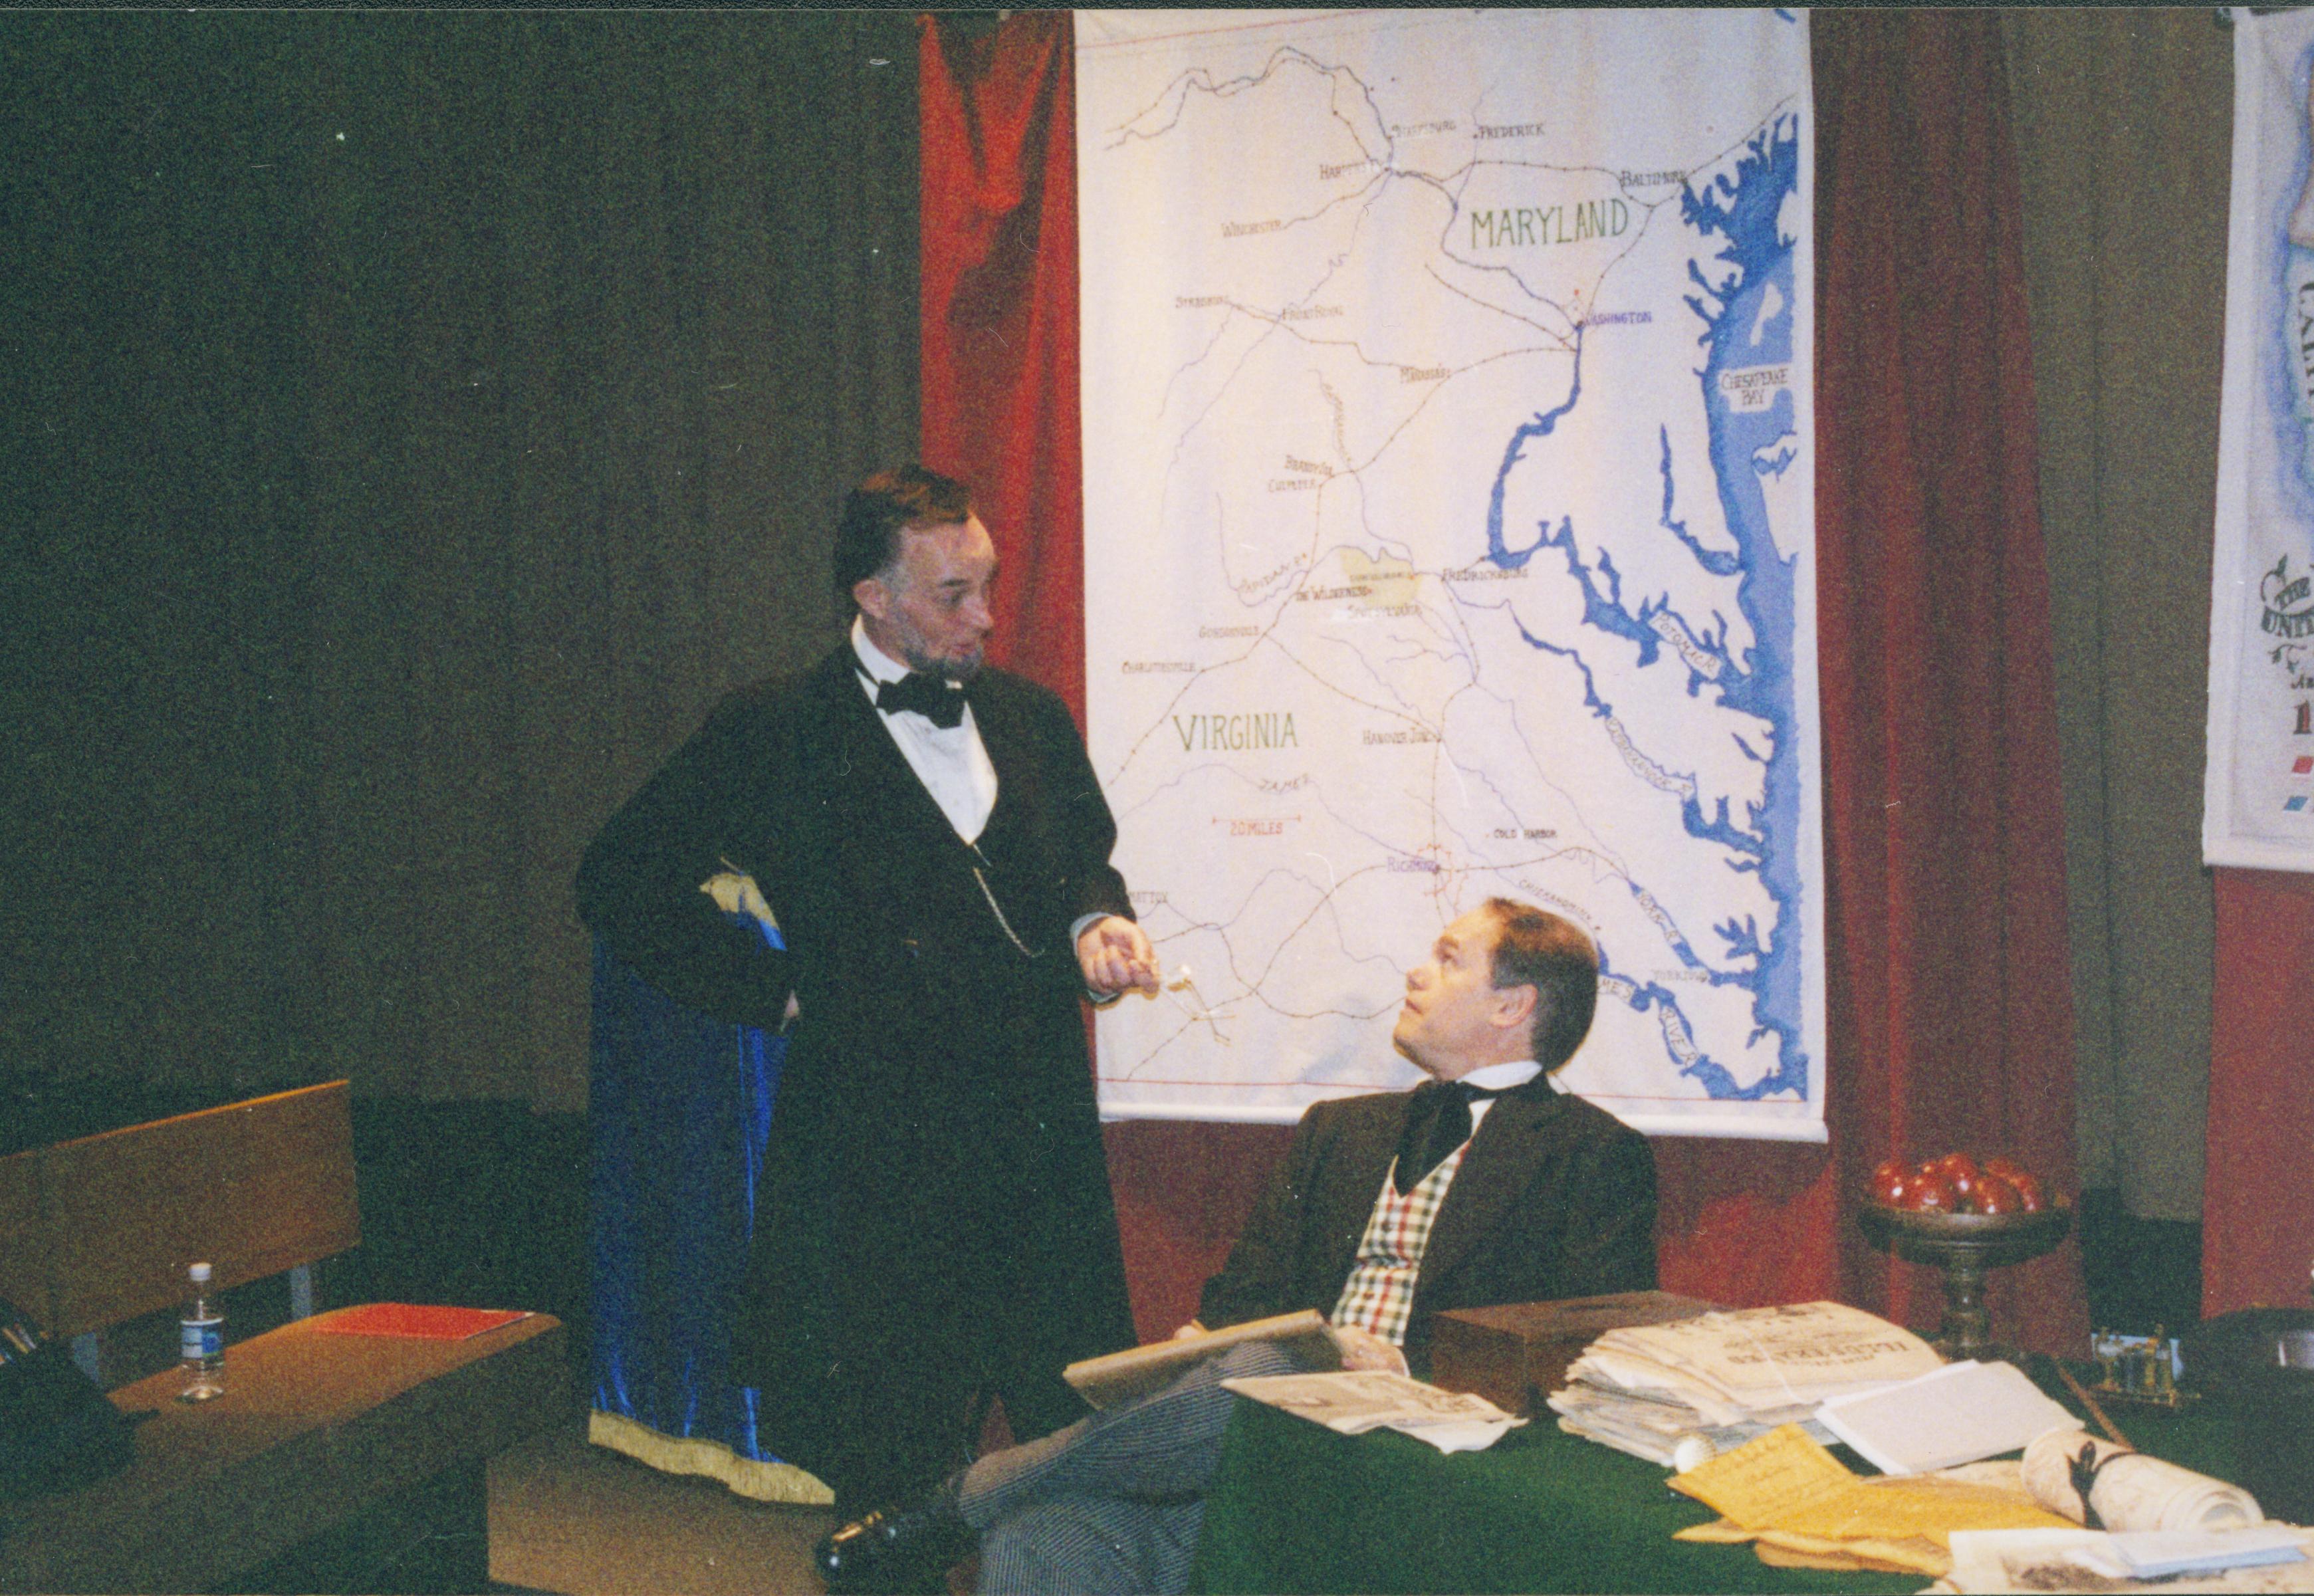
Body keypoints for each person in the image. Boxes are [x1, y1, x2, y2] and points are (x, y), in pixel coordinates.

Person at [575, 465, 1158, 1513]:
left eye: (986, 584)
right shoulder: (772, 728)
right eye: (952, 595)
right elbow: (618, 879)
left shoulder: (1030, 715)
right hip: (877, 1174)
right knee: (888, 1492)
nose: (984, 617)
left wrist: (1095, 920)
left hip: (1038, 1160)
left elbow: (1083, 855)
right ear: (873, 597)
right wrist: (775, 992)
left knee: (1084, 1475)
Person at [816, 897, 1659, 1595]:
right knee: (1044, 1538)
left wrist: (1401, 1370)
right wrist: (1204, 1342)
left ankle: (953, 1503)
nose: (1414, 970)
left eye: (1445, 959)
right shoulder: (1341, 1130)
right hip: (1258, 1442)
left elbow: (1582, 1359)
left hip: (1418, 1454)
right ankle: (991, 1507)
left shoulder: (1594, 1153)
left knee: (1257, 1372)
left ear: (1512, 1006)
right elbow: (1242, 1300)